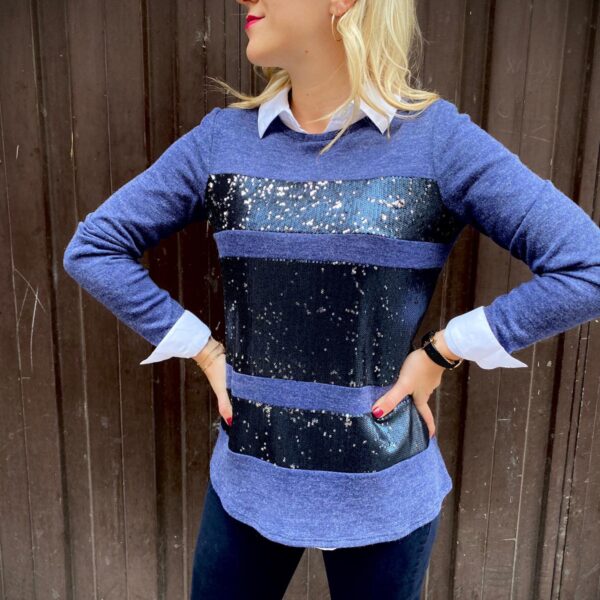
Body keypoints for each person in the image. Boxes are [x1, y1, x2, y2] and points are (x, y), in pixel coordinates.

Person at [62, 0, 600, 598]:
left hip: (385, 490)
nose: (246, 0)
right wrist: (204, 351)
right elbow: (95, 248)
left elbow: (588, 266)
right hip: (248, 480)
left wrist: (443, 350)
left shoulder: (436, 140)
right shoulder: (222, 142)